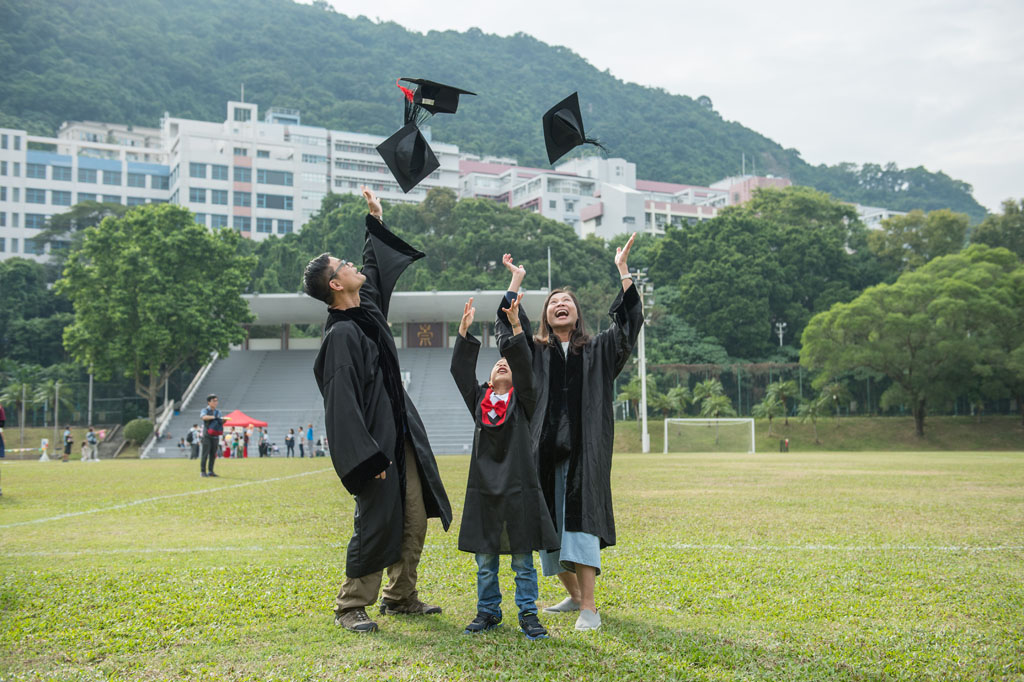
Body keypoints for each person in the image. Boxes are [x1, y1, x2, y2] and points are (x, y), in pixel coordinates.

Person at [305, 186, 452, 634]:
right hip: (375, 445)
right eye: (342, 266)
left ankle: (400, 595)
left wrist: (376, 221)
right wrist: (366, 459)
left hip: (401, 433)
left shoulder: (364, 310)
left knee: (413, 513)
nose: (352, 266)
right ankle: (351, 604)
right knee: (376, 521)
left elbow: (373, 269)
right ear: (334, 285)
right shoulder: (342, 336)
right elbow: (342, 406)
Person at [495, 238, 643, 632]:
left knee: (579, 525)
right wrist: (516, 281)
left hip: (584, 451)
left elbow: (629, 323)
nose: (560, 303)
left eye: (568, 301)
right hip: (541, 450)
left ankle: (589, 608)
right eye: (553, 301)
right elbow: (508, 336)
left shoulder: (599, 351)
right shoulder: (537, 353)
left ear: (577, 315)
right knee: (546, 528)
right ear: (545, 315)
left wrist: (623, 269)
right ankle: (574, 594)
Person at [450, 292, 558, 640]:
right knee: (485, 561)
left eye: (507, 364)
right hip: (484, 489)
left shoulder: (524, 402)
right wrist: (464, 334)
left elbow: (525, 366)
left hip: (518, 487)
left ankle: (528, 613)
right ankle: (488, 611)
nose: (501, 364)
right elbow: (460, 371)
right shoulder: (480, 401)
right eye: (497, 363)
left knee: (523, 560)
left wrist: (514, 324)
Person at [199, 394, 224, 477]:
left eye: (216, 401)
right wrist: (214, 417)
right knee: (205, 454)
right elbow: (203, 417)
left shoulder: (218, 412)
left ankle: (211, 471)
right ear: (209, 402)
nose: (216, 402)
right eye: (214, 401)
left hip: (215, 435)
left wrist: (223, 421)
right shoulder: (205, 410)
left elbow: (220, 421)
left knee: (213, 454)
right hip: (207, 435)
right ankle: (203, 471)